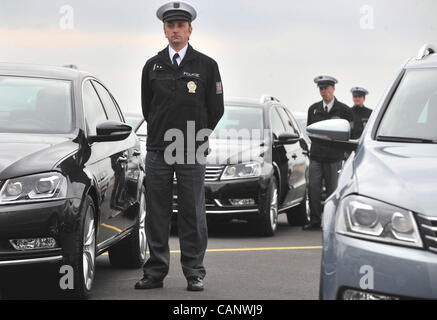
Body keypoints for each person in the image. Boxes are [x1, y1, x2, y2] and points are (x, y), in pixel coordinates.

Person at [135, 1, 224, 292]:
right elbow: (148, 108)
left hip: (192, 149)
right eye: (170, 26)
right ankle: (156, 271)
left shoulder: (207, 66)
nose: (176, 31)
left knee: (192, 213)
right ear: (164, 30)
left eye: (180, 26)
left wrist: (198, 136)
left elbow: (216, 108)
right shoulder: (152, 66)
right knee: (158, 213)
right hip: (159, 149)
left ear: (190, 30)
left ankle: (194, 272)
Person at [303, 76, 353, 231]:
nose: (324, 92)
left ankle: (333, 222)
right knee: (313, 189)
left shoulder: (344, 110)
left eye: (326, 88)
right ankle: (315, 220)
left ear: (333, 89)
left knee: (333, 191)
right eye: (321, 89)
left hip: (334, 157)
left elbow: (348, 132)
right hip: (317, 156)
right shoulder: (314, 109)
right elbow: (310, 131)